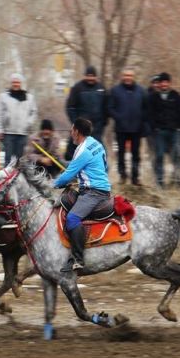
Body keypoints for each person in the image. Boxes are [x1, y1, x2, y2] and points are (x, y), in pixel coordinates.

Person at [53, 117, 111, 273]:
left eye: (72, 130)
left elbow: (68, 175)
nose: (71, 133)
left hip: (94, 193)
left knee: (72, 218)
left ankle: (78, 259)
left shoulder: (82, 150)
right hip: (99, 189)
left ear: (77, 131)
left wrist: (52, 185)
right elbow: (105, 167)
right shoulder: (96, 143)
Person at [108, 69, 149, 185]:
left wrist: (142, 121)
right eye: (126, 75)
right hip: (121, 128)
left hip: (137, 129)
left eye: (130, 75)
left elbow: (146, 109)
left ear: (133, 77)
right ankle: (122, 176)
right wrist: (119, 117)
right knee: (121, 153)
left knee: (136, 154)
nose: (128, 77)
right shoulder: (115, 91)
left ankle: (135, 178)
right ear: (122, 76)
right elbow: (110, 108)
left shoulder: (141, 91)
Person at [147, 72, 180, 188]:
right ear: (159, 84)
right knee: (159, 156)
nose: (164, 84)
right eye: (162, 82)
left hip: (174, 131)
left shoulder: (176, 96)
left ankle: (177, 180)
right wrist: (155, 127)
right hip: (159, 132)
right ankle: (160, 181)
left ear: (169, 83)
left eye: (166, 82)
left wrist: (179, 126)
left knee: (176, 155)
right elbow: (150, 114)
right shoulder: (153, 97)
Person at [0, 73, 38, 163]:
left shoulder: (29, 97)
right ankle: (7, 177)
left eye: (18, 82)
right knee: (8, 159)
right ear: (11, 83)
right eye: (14, 82)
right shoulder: (3, 97)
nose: (16, 84)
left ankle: (18, 177)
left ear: (21, 83)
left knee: (20, 160)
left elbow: (34, 112)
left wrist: (28, 123)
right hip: (8, 132)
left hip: (22, 133)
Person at [66, 66, 108, 150]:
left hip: (97, 129)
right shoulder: (77, 88)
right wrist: (76, 123)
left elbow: (106, 108)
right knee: (77, 151)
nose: (90, 78)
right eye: (88, 76)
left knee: (98, 151)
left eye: (92, 76)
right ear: (85, 76)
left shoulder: (102, 89)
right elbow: (70, 107)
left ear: (96, 77)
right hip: (81, 129)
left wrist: (102, 124)